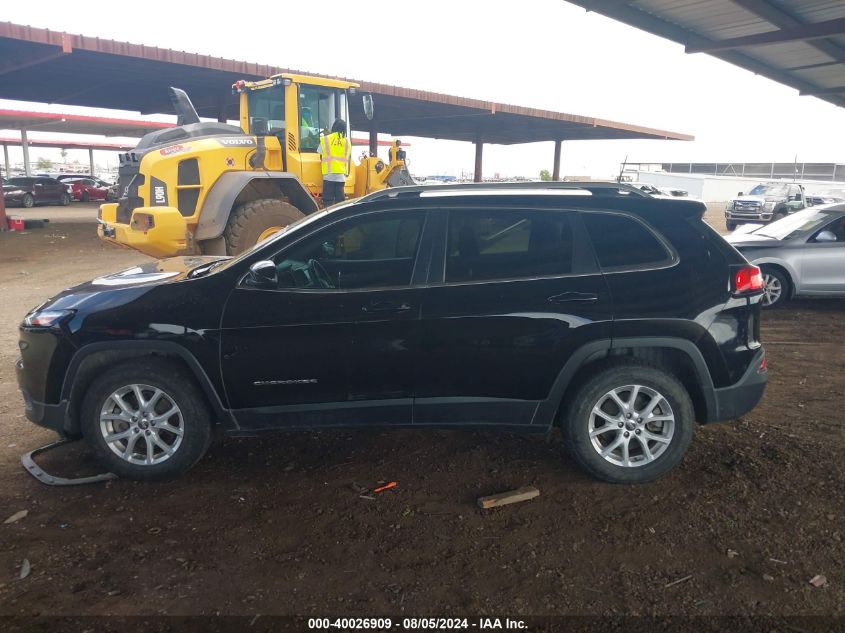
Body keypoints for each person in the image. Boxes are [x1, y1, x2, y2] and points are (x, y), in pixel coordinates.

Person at [319, 118, 351, 207]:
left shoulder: (325, 139)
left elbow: (320, 154)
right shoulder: (347, 142)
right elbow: (347, 157)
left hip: (329, 174)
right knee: (340, 201)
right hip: (341, 175)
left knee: (327, 200)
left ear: (334, 127)